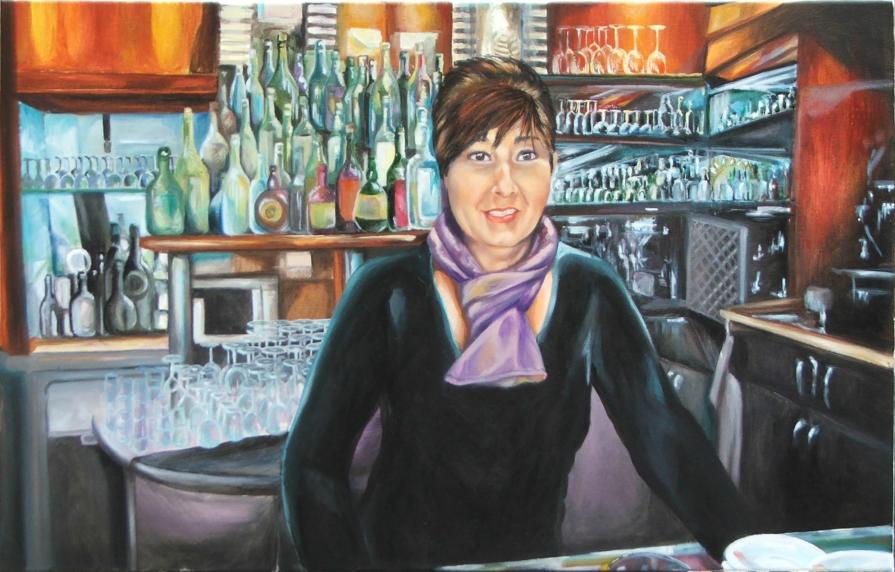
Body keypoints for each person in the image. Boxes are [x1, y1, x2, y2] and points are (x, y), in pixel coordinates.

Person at [282, 56, 757, 570]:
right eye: (479, 156)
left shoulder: (589, 290)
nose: (505, 184)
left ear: (553, 166)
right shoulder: (387, 290)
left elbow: (667, 441)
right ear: (445, 172)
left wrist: (752, 553)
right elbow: (311, 467)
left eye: (526, 154)